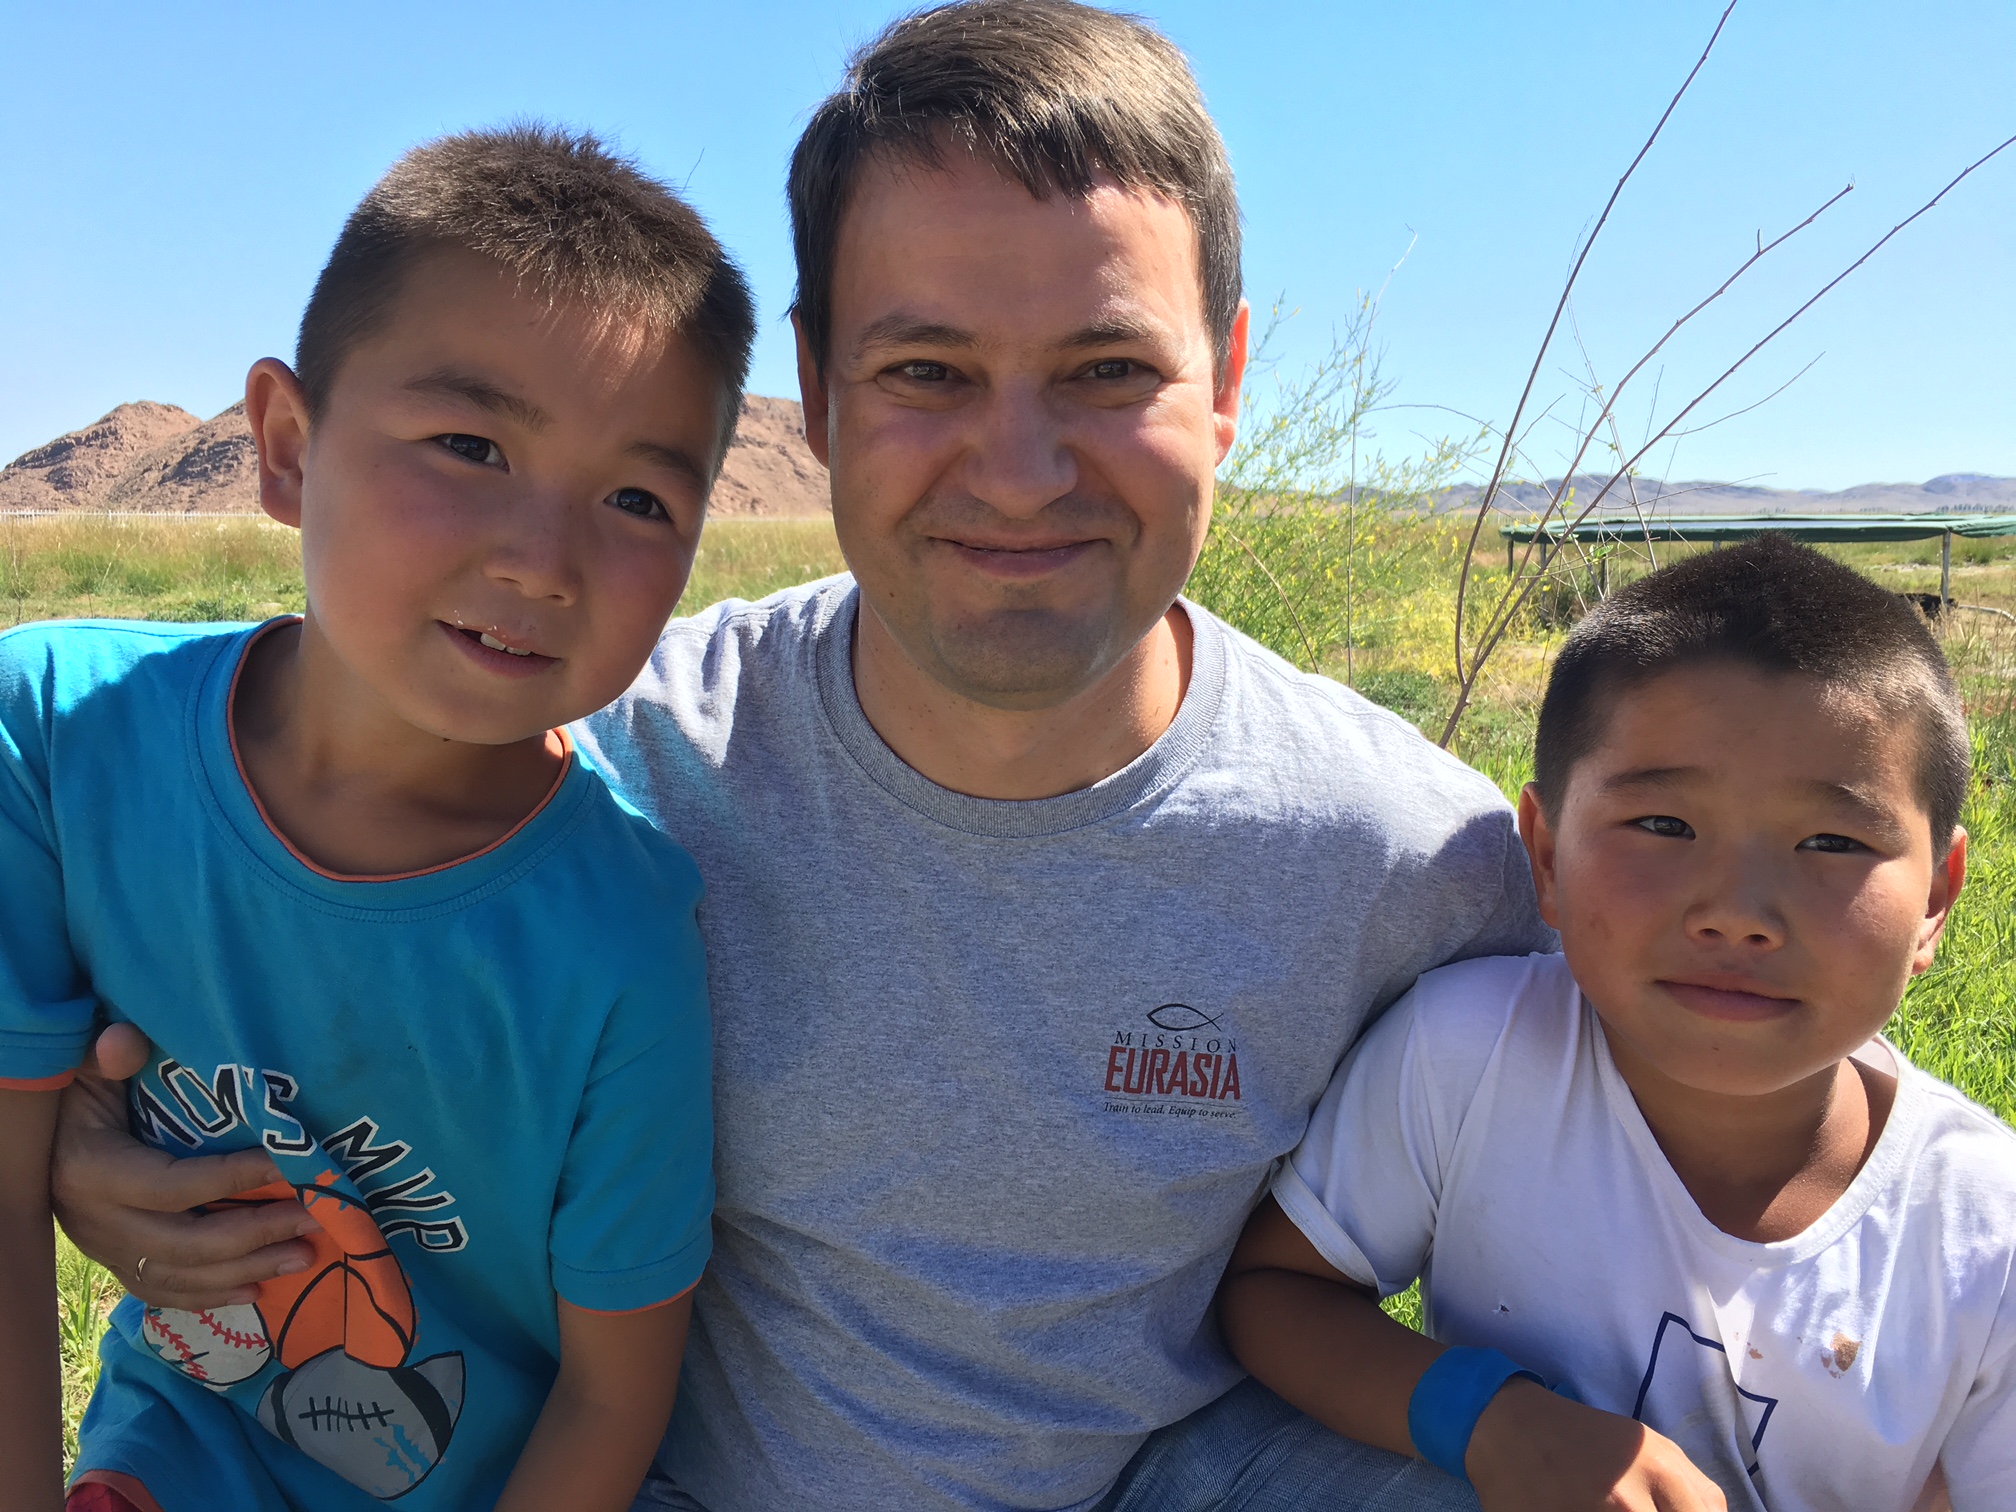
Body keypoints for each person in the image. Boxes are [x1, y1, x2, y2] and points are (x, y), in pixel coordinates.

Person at [52, 5, 1552, 1509]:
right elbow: (280, 849)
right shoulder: (606, 769)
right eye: (928, 373)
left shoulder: (1415, 859)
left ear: (1224, 381)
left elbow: (1701, 1157)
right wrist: (78, 1156)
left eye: (1106, 371)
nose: (1021, 473)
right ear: (820, 395)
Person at [0, 127, 754, 1512]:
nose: (544, 560)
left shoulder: (626, 937)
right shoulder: (51, 734)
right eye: (470, 445)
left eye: (638, 499)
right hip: (180, 1454)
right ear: (287, 448)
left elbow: (610, 1394)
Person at [1220, 538, 2016, 1512]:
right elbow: (1274, 1296)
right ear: (1546, 859)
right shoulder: (1468, 1058)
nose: (1737, 910)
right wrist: (1491, 1421)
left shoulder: (1986, 1232)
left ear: (1936, 899)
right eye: (1665, 827)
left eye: (1831, 841)